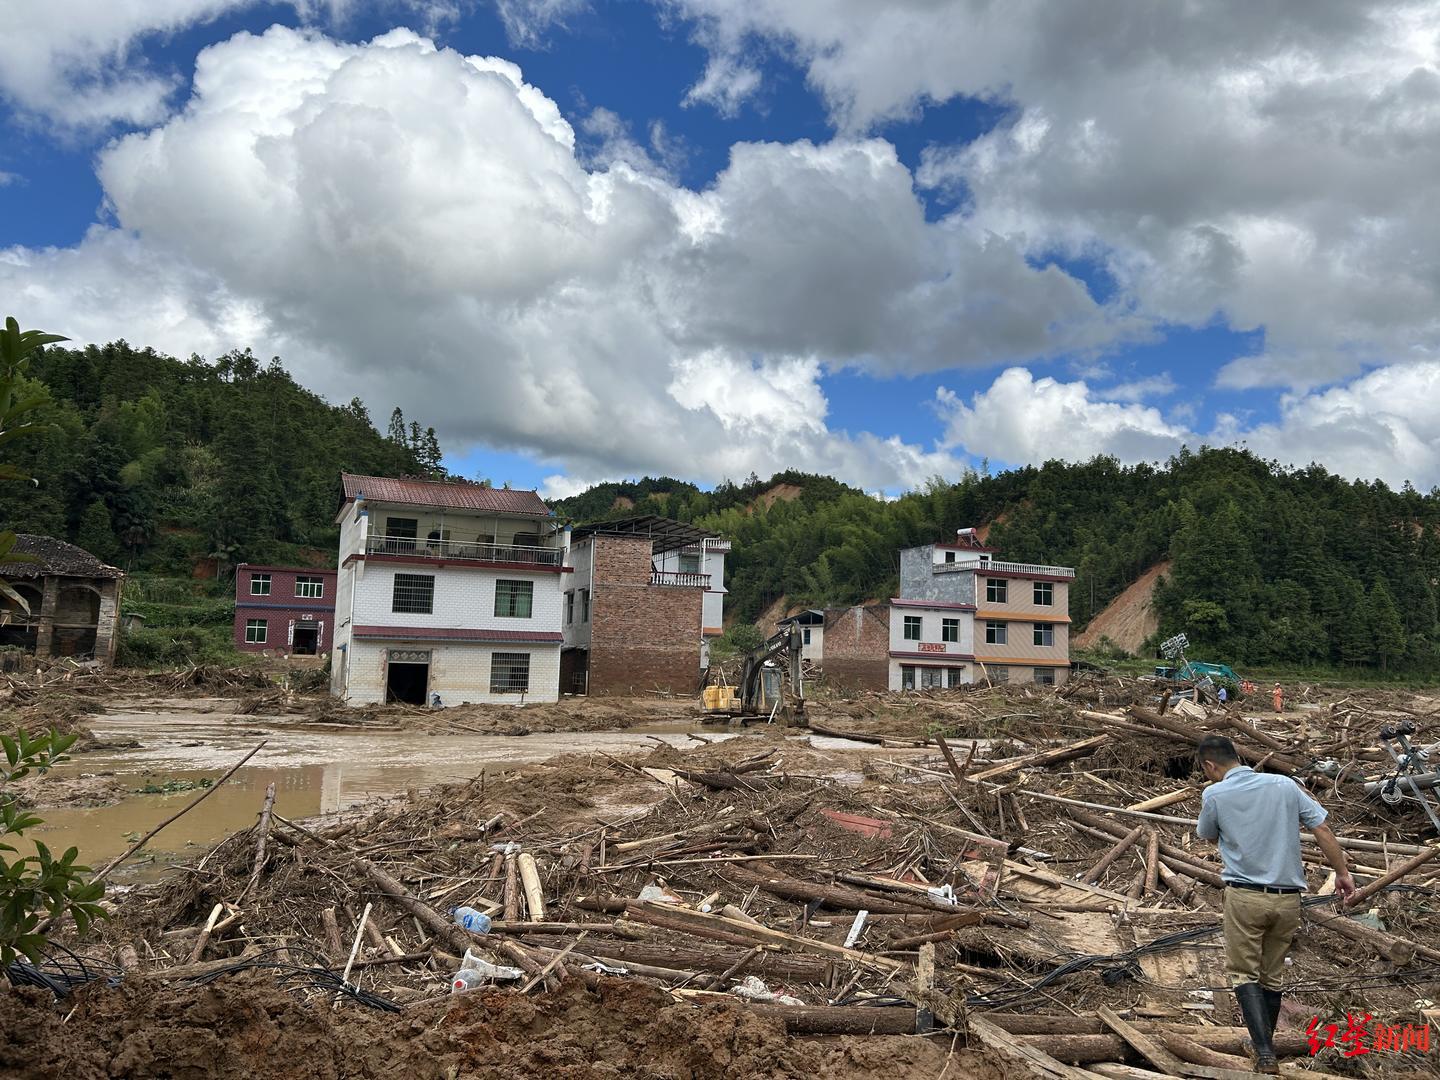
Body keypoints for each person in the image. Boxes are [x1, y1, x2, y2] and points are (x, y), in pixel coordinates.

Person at [1195, 735, 1356, 1074]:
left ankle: (1265, 1052)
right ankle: (1262, 1044)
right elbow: (1322, 828)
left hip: (1245, 896)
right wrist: (1342, 873)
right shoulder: (1284, 785)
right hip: (1288, 900)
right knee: (1272, 975)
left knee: (1243, 972)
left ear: (1210, 765)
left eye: (1206, 771)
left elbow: (1208, 835)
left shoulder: (1215, 793)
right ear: (1236, 756)